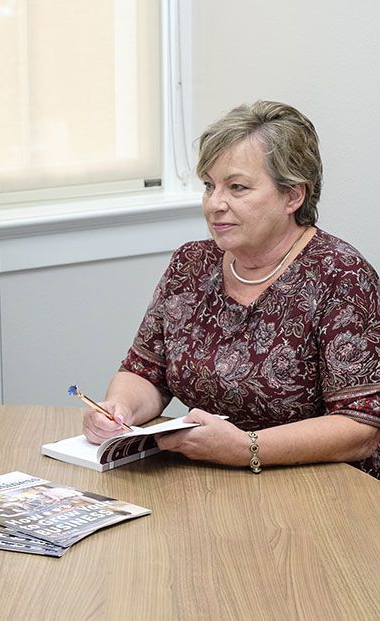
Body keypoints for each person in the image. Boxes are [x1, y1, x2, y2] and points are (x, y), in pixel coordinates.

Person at [83, 101, 380, 479]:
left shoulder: (340, 275)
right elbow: (145, 372)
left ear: (293, 196)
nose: (214, 204)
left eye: (237, 187)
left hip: (320, 489)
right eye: (209, 186)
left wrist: (246, 448)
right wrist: (118, 409)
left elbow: (361, 428)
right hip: (208, 477)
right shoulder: (190, 264)